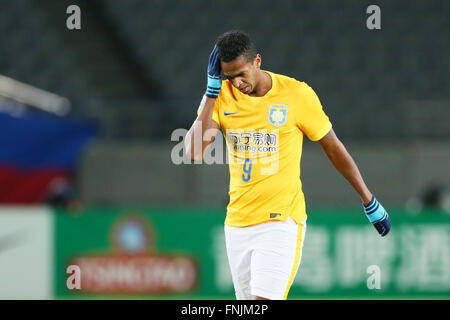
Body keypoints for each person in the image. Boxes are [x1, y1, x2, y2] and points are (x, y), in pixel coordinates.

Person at [184, 30, 391, 300]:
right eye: (229, 76)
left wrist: (368, 198)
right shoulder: (220, 96)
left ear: (257, 61)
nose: (237, 82)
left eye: (242, 73)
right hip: (237, 223)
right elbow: (194, 152)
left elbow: (333, 147)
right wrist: (212, 91)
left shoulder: (296, 95)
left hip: (280, 222)